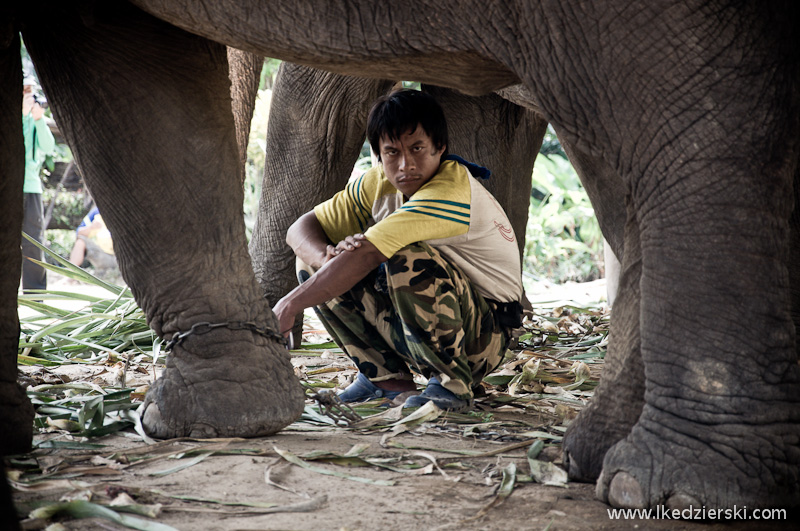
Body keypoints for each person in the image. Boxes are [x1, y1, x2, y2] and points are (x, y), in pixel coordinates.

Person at [274, 89, 523, 411]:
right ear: (378, 155)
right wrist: (326, 259)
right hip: (417, 327)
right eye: (392, 152)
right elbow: (300, 228)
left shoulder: (450, 189)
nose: (406, 165)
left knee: (405, 258)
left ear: (440, 148)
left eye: (418, 148)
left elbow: (370, 253)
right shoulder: (376, 182)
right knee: (314, 264)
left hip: (484, 336)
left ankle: (451, 384)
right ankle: (385, 380)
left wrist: (288, 305)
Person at [21, 74, 55, 292]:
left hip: (31, 188)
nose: (29, 95)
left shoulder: (35, 120)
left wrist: (38, 119)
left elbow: (48, 147)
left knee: (34, 243)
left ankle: (35, 296)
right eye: (25, 90)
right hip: (9, 187)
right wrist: (23, 116)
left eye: (31, 90)